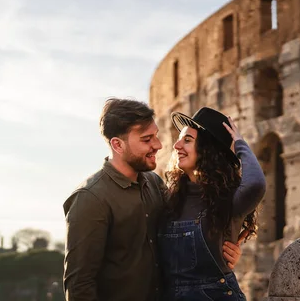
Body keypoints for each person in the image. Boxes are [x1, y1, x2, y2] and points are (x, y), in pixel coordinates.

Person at [62, 98, 243, 301]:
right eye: (147, 139)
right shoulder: (89, 199)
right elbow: (79, 286)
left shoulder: (155, 183)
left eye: (155, 136)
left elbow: (184, 233)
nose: (158, 145)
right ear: (117, 145)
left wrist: (221, 249)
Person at [159, 107, 266, 300]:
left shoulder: (230, 200)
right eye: (179, 139)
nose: (176, 146)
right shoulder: (171, 199)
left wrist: (240, 143)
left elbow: (257, 183)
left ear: (208, 150)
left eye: (187, 140)